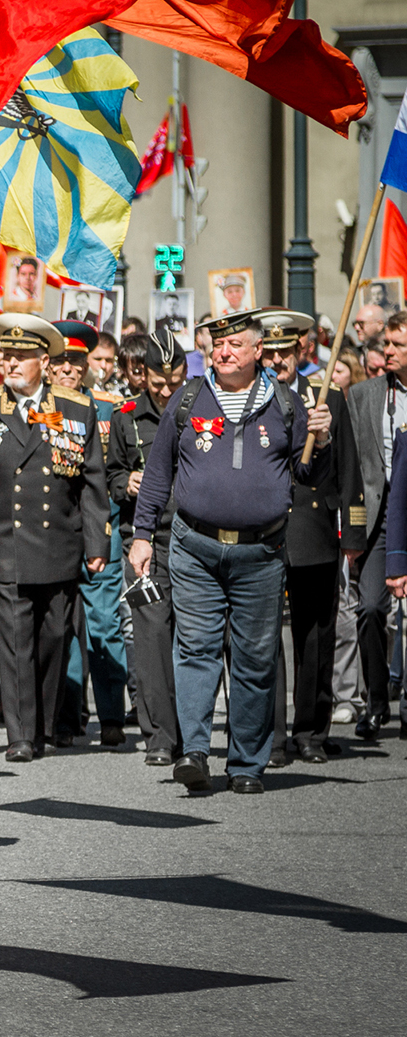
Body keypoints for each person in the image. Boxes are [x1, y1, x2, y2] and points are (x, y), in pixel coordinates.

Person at [130, 309, 333, 793]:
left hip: (261, 554)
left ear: (258, 351)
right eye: (216, 345)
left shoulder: (286, 404)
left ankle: (246, 763)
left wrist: (320, 441)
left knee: (255, 658)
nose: (222, 353)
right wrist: (142, 535)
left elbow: (308, 477)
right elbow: (158, 473)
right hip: (194, 547)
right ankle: (196, 751)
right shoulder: (188, 398)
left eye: (235, 345)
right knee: (195, 648)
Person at [0, 314, 109, 761]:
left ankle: (41, 724)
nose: (11, 364)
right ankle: (20, 735)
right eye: (6, 355)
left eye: (22, 357)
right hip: (3, 541)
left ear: (44, 361)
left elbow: (92, 481)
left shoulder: (76, 409)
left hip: (59, 542)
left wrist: (97, 545)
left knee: (52, 639)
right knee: (13, 640)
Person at [257, 310, 365, 765]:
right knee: (263, 640)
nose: (279, 360)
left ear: (302, 350)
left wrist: (353, 533)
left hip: (314, 527)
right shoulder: (250, 400)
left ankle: (310, 731)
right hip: (263, 527)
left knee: (316, 634)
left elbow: (349, 469)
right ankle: (272, 737)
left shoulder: (327, 399)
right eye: (272, 352)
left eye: (287, 351)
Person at [107, 328, 188, 766]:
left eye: (174, 380)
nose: (166, 390)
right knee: (151, 635)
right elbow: (110, 475)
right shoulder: (126, 416)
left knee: (193, 637)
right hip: (146, 538)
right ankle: (159, 736)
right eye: (158, 382)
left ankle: (190, 730)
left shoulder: (197, 408)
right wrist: (126, 483)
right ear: (143, 375)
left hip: (193, 536)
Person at [47, 319, 129, 746]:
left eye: (76, 362)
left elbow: (116, 472)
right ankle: (66, 716)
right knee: (61, 627)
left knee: (102, 623)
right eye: (60, 362)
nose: (68, 370)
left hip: (102, 528)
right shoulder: (37, 408)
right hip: (55, 533)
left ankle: (112, 715)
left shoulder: (109, 409)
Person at [343, 309, 407, 739]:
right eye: (386, 344)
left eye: (397, 345)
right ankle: (377, 698)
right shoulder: (364, 395)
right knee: (368, 608)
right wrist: (353, 532)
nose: (386, 352)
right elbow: (351, 470)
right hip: (378, 519)